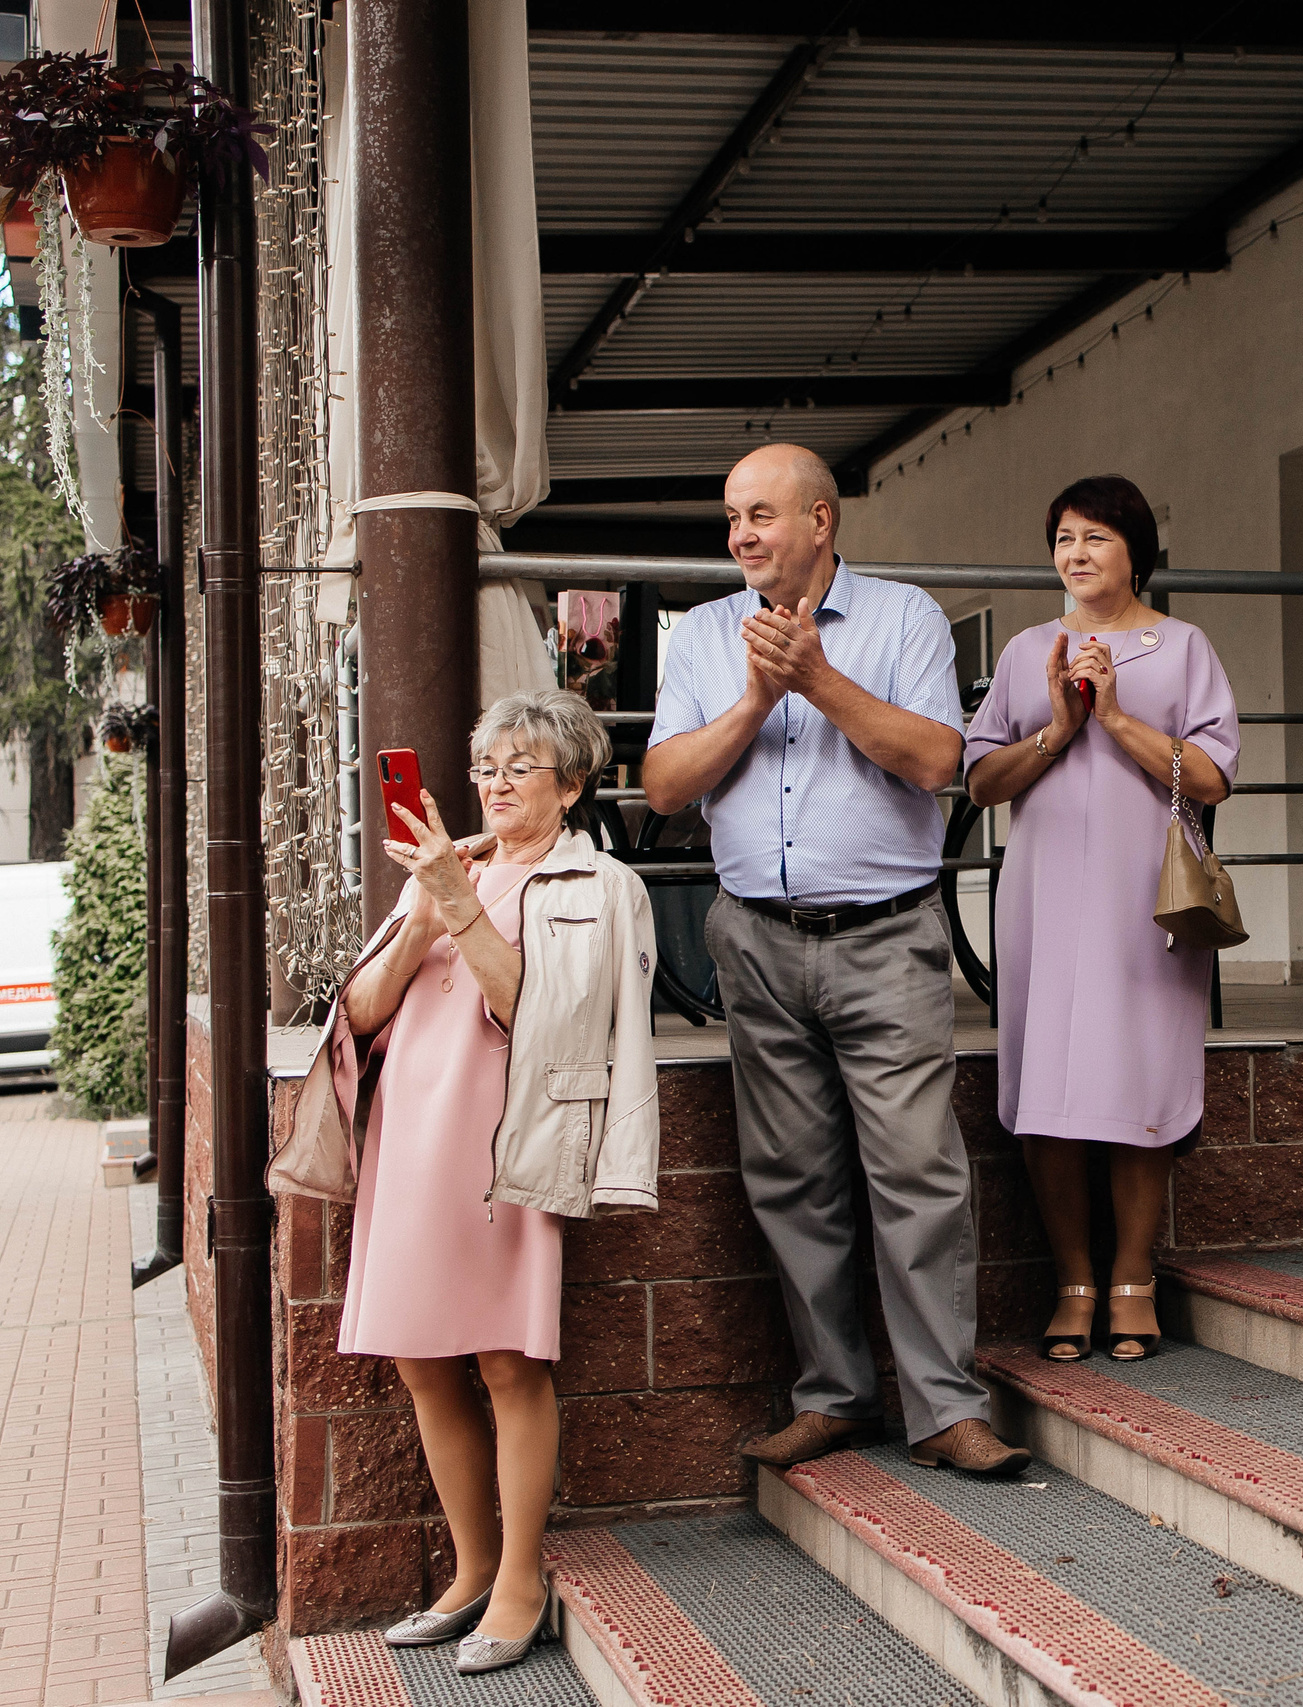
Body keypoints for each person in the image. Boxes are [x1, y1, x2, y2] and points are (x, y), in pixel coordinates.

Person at [643, 443, 1031, 1475]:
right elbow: (667, 786)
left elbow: (938, 761)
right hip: (756, 938)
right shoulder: (706, 637)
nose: (741, 536)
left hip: (884, 937)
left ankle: (946, 1408)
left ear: (822, 521)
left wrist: (816, 678)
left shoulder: (902, 618)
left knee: (916, 1173)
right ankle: (833, 1395)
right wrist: (757, 702)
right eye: (732, 518)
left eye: (761, 514)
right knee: (789, 1179)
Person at [314, 689, 658, 1676]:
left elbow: (537, 1017)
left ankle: (520, 1580)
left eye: (521, 766)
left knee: (509, 1360)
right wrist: (426, 910)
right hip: (408, 1139)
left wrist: (463, 911)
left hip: (505, 1143)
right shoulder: (444, 866)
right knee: (422, 1359)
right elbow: (366, 1009)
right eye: (487, 766)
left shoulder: (597, 884)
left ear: (572, 784)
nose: (497, 784)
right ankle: (468, 1575)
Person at [964, 476, 1239, 1362]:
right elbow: (978, 782)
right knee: (1048, 1093)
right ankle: (1072, 1279)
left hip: (1142, 902)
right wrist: (1054, 726)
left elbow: (1211, 777)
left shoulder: (1184, 646)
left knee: (1137, 1083)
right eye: (1064, 539)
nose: (1077, 555)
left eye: (1097, 538)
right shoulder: (1025, 652)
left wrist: (1113, 716)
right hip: (1043, 896)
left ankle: (1132, 1277)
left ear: (1135, 551)